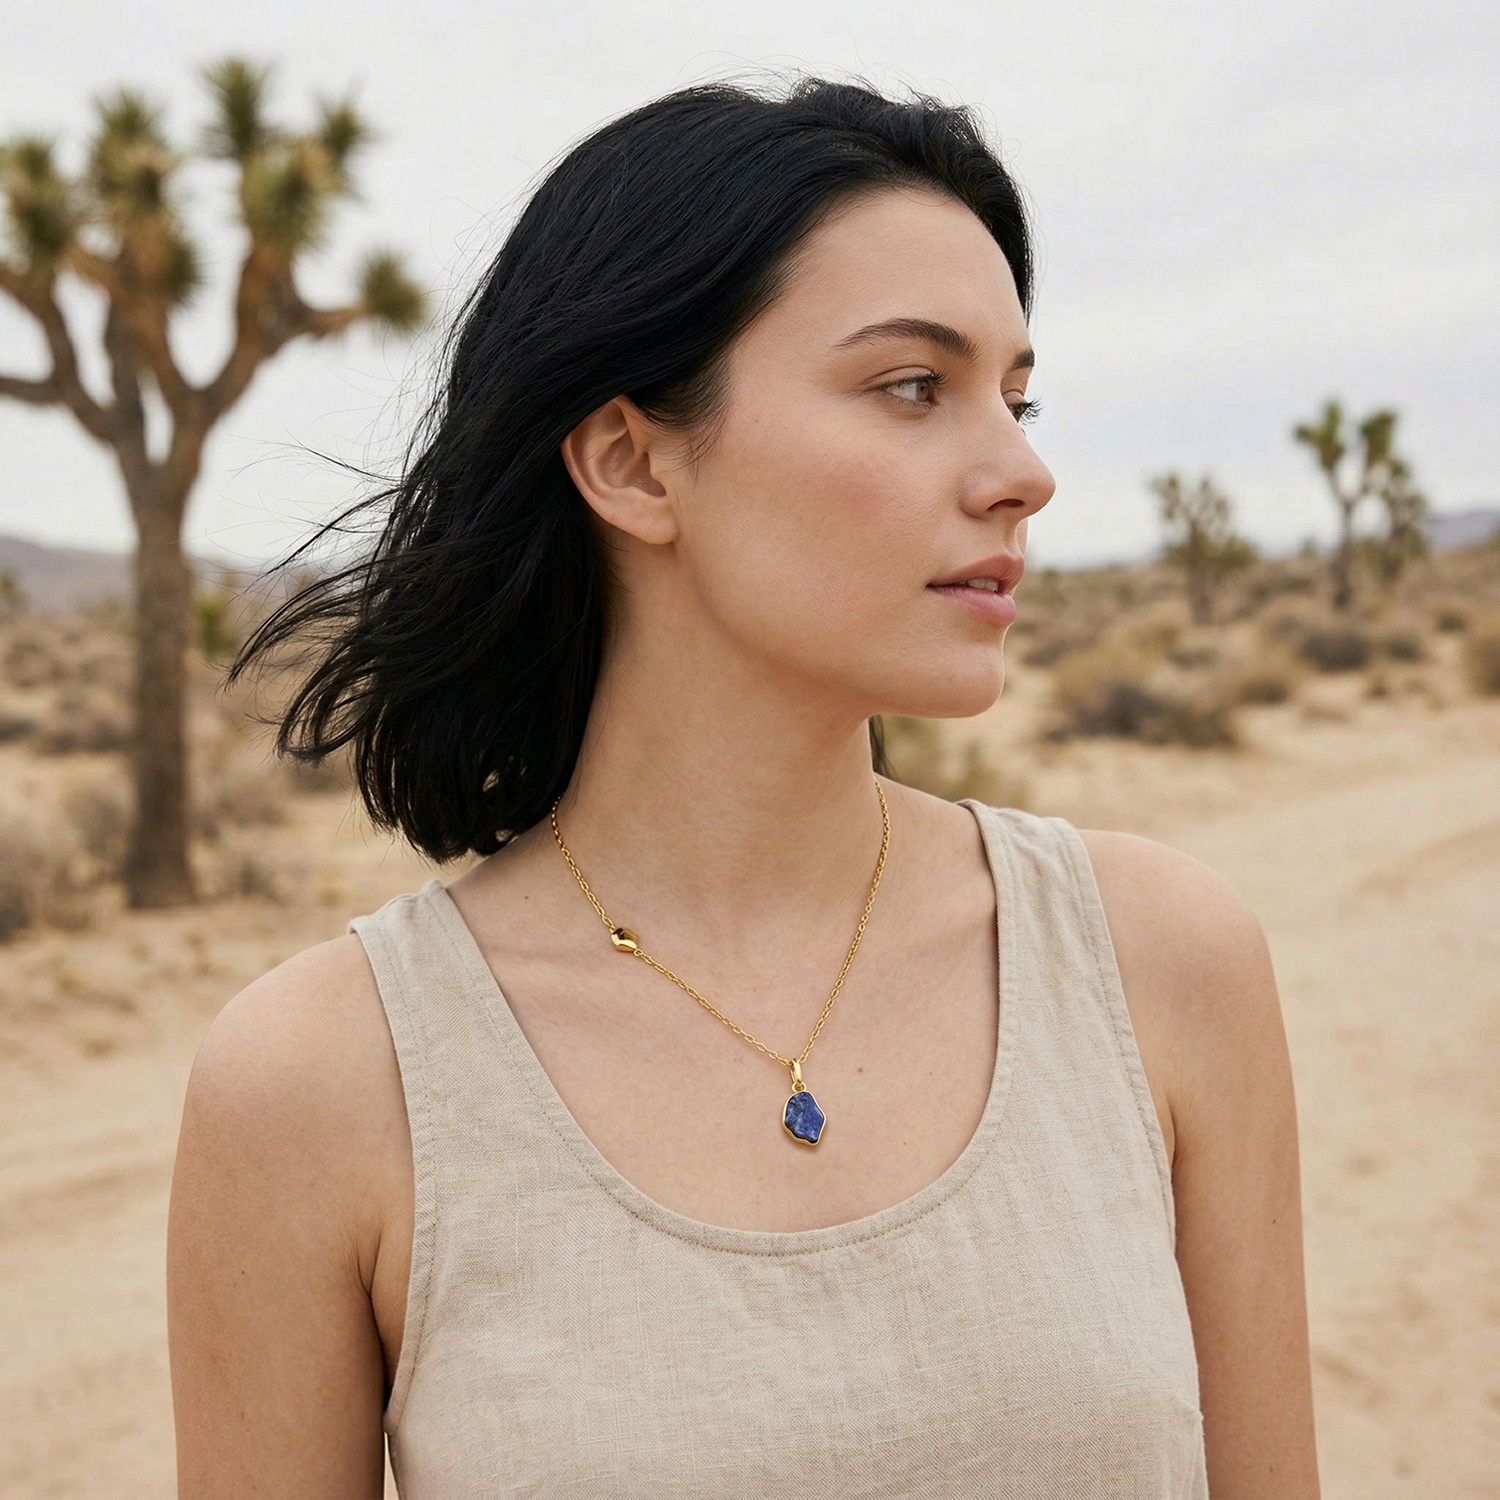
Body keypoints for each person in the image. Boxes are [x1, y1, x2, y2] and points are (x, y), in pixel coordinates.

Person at [167, 78, 1319, 1499]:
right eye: (914, 386)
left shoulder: (1159, 964)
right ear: (631, 463)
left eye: (1016, 397)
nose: (1024, 471)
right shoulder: (322, 1088)